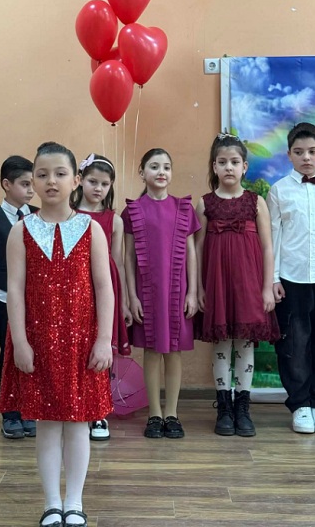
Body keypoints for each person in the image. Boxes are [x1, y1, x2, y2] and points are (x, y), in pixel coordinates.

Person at [0, 142, 114, 527]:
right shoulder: (21, 230)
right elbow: (15, 289)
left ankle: (74, 502)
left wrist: (104, 340)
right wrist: (20, 342)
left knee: (79, 422)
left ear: (75, 180)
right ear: (32, 181)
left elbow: (104, 286)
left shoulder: (91, 229)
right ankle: (51, 502)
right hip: (38, 342)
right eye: (42, 175)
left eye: (60, 174)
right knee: (47, 424)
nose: (51, 181)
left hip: (82, 342)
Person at [194, 134, 279, 437]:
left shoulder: (256, 202)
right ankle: (224, 407)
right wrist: (198, 288)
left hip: (249, 284)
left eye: (234, 162)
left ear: (244, 167)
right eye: (222, 162)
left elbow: (267, 247)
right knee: (221, 343)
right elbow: (197, 249)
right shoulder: (204, 204)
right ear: (214, 167)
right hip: (217, 284)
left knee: (244, 342)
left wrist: (267, 287)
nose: (228, 167)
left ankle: (243, 406)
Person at [122, 148, 199, 440]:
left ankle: (172, 413)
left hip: (177, 291)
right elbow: (128, 257)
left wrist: (193, 292)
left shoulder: (183, 208)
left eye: (166, 166)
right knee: (152, 351)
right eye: (154, 166)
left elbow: (191, 253)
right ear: (142, 172)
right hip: (147, 292)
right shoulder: (133, 210)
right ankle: (154, 413)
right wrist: (132, 296)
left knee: (174, 351)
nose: (161, 172)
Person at [267, 122, 315, 434]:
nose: (306, 157)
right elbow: (273, 238)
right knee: (293, 344)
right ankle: (300, 404)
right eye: (299, 152)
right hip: (292, 280)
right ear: (289, 155)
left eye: (312, 151)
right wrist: (273, 278)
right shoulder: (279, 191)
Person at [71, 153, 132, 441]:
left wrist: (124, 302)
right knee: (76, 349)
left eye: (105, 184)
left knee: (102, 349)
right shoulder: (69, 216)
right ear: (80, 180)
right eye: (93, 181)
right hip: (75, 288)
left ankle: (99, 413)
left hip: (105, 290)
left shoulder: (114, 220)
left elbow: (118, 263)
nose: (98, 188)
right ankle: (76, 410)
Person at [0, 156, 38, 439]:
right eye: (25, 184)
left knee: (34, 351)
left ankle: (30, 409)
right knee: (9, 352)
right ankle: (11, 413)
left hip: (36, 298)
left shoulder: (39, 216)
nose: (31, 189)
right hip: (4, 296)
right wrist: (0, 284)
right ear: (6, 184)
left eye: (32, 183)